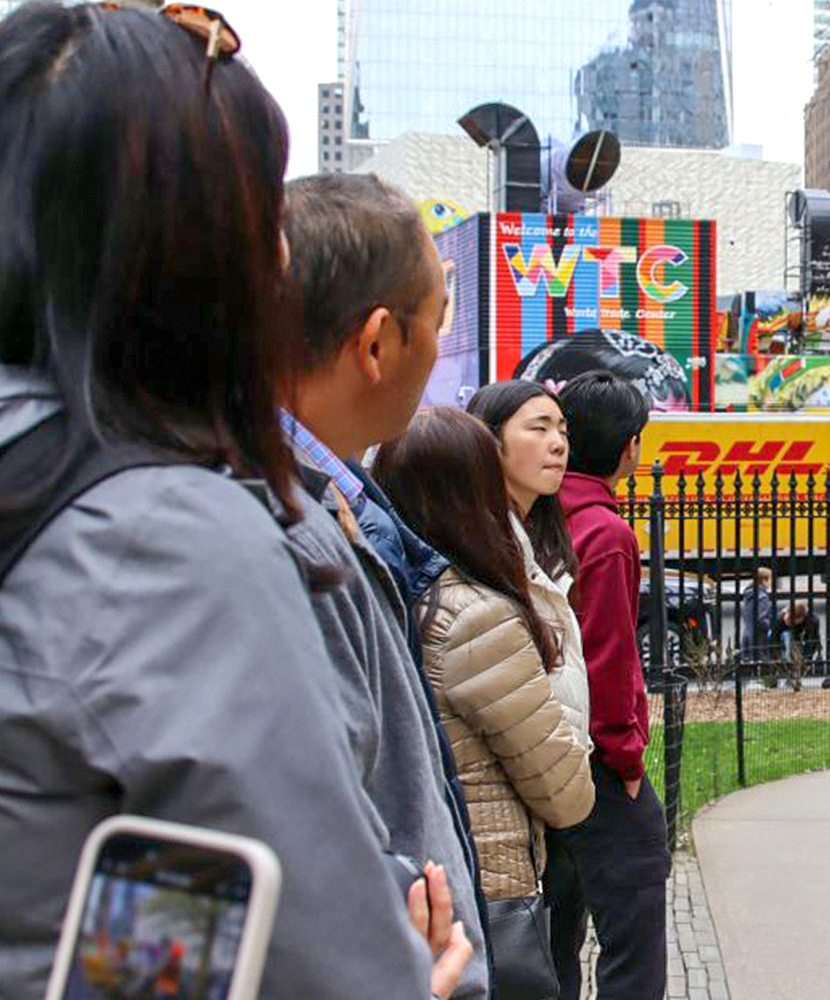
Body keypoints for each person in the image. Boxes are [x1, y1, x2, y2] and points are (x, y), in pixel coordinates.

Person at [0, 4, 457, 998]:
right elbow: (319, 959)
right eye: (261, 215)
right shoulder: (169, 543)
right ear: (191, 249)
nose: (283, 262)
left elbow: (130, 908)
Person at [279, 172, 490, 1000]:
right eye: (439, 318)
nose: (440, 347)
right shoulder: (284, 532)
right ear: (377, 345)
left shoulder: (334, 500)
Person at [374, 408, 595, 901]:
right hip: (486, 885)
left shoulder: (384, 590)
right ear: (480, 493)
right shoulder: (477, 618)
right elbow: (566, 794)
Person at [552, 371, 670, 1000]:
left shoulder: (541, 512)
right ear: (629, 448)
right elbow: (609, 656)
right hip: (597, 760)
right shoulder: (605, 532)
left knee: (557, 926)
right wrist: (626, 758)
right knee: (634, 929)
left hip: (541, 749)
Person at [466, 379, 593, 747]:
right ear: (489, 441)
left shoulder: (544, 544)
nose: (558, 444)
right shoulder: (477, 548)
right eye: (539, 428)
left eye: (563, 431)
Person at [740, 567, 776, 662]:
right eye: (771, 578)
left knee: (748, 664)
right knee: (761, 664)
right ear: (764, 580)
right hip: (759, 638)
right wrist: (771, 626)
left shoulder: (749, 594)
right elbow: (761, 618)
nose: (772, 581)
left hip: (748, 635)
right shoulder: (762, 597)